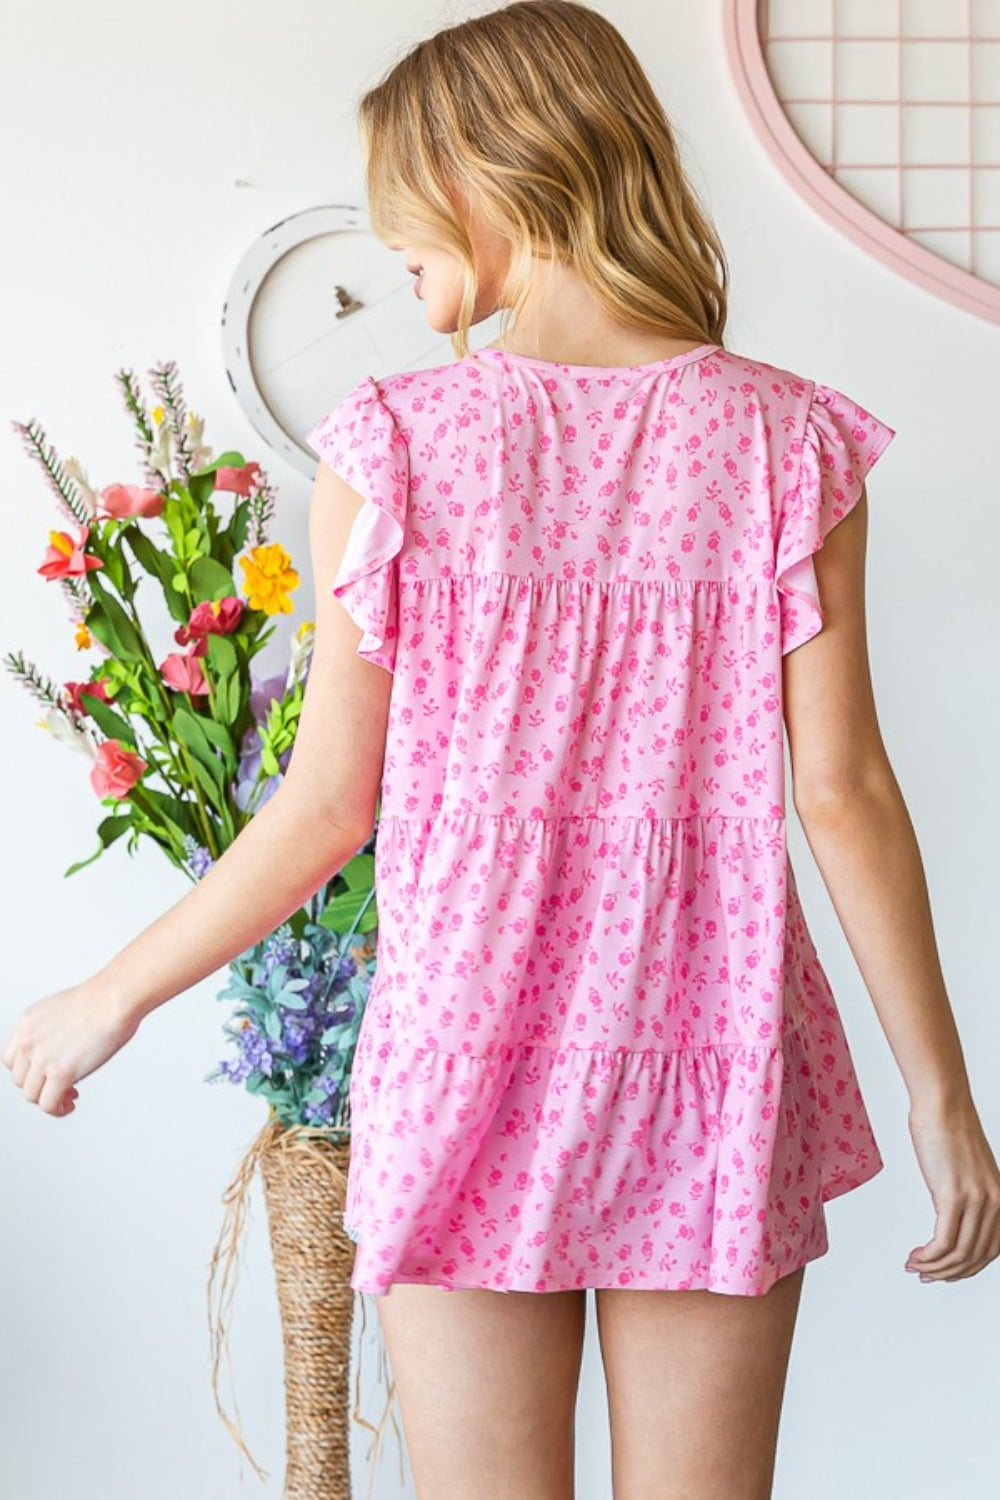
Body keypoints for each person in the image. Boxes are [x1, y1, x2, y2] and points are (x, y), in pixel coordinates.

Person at [6, 2, 1000, 1496]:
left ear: (492, 177)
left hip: (472, 1048)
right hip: (710, 1053)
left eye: (407, 209)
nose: (398, 255)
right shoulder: (790, 447)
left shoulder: (395, 445)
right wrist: (943, 1097)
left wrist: (112, 995)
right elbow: (842, 794)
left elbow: (328, 804)